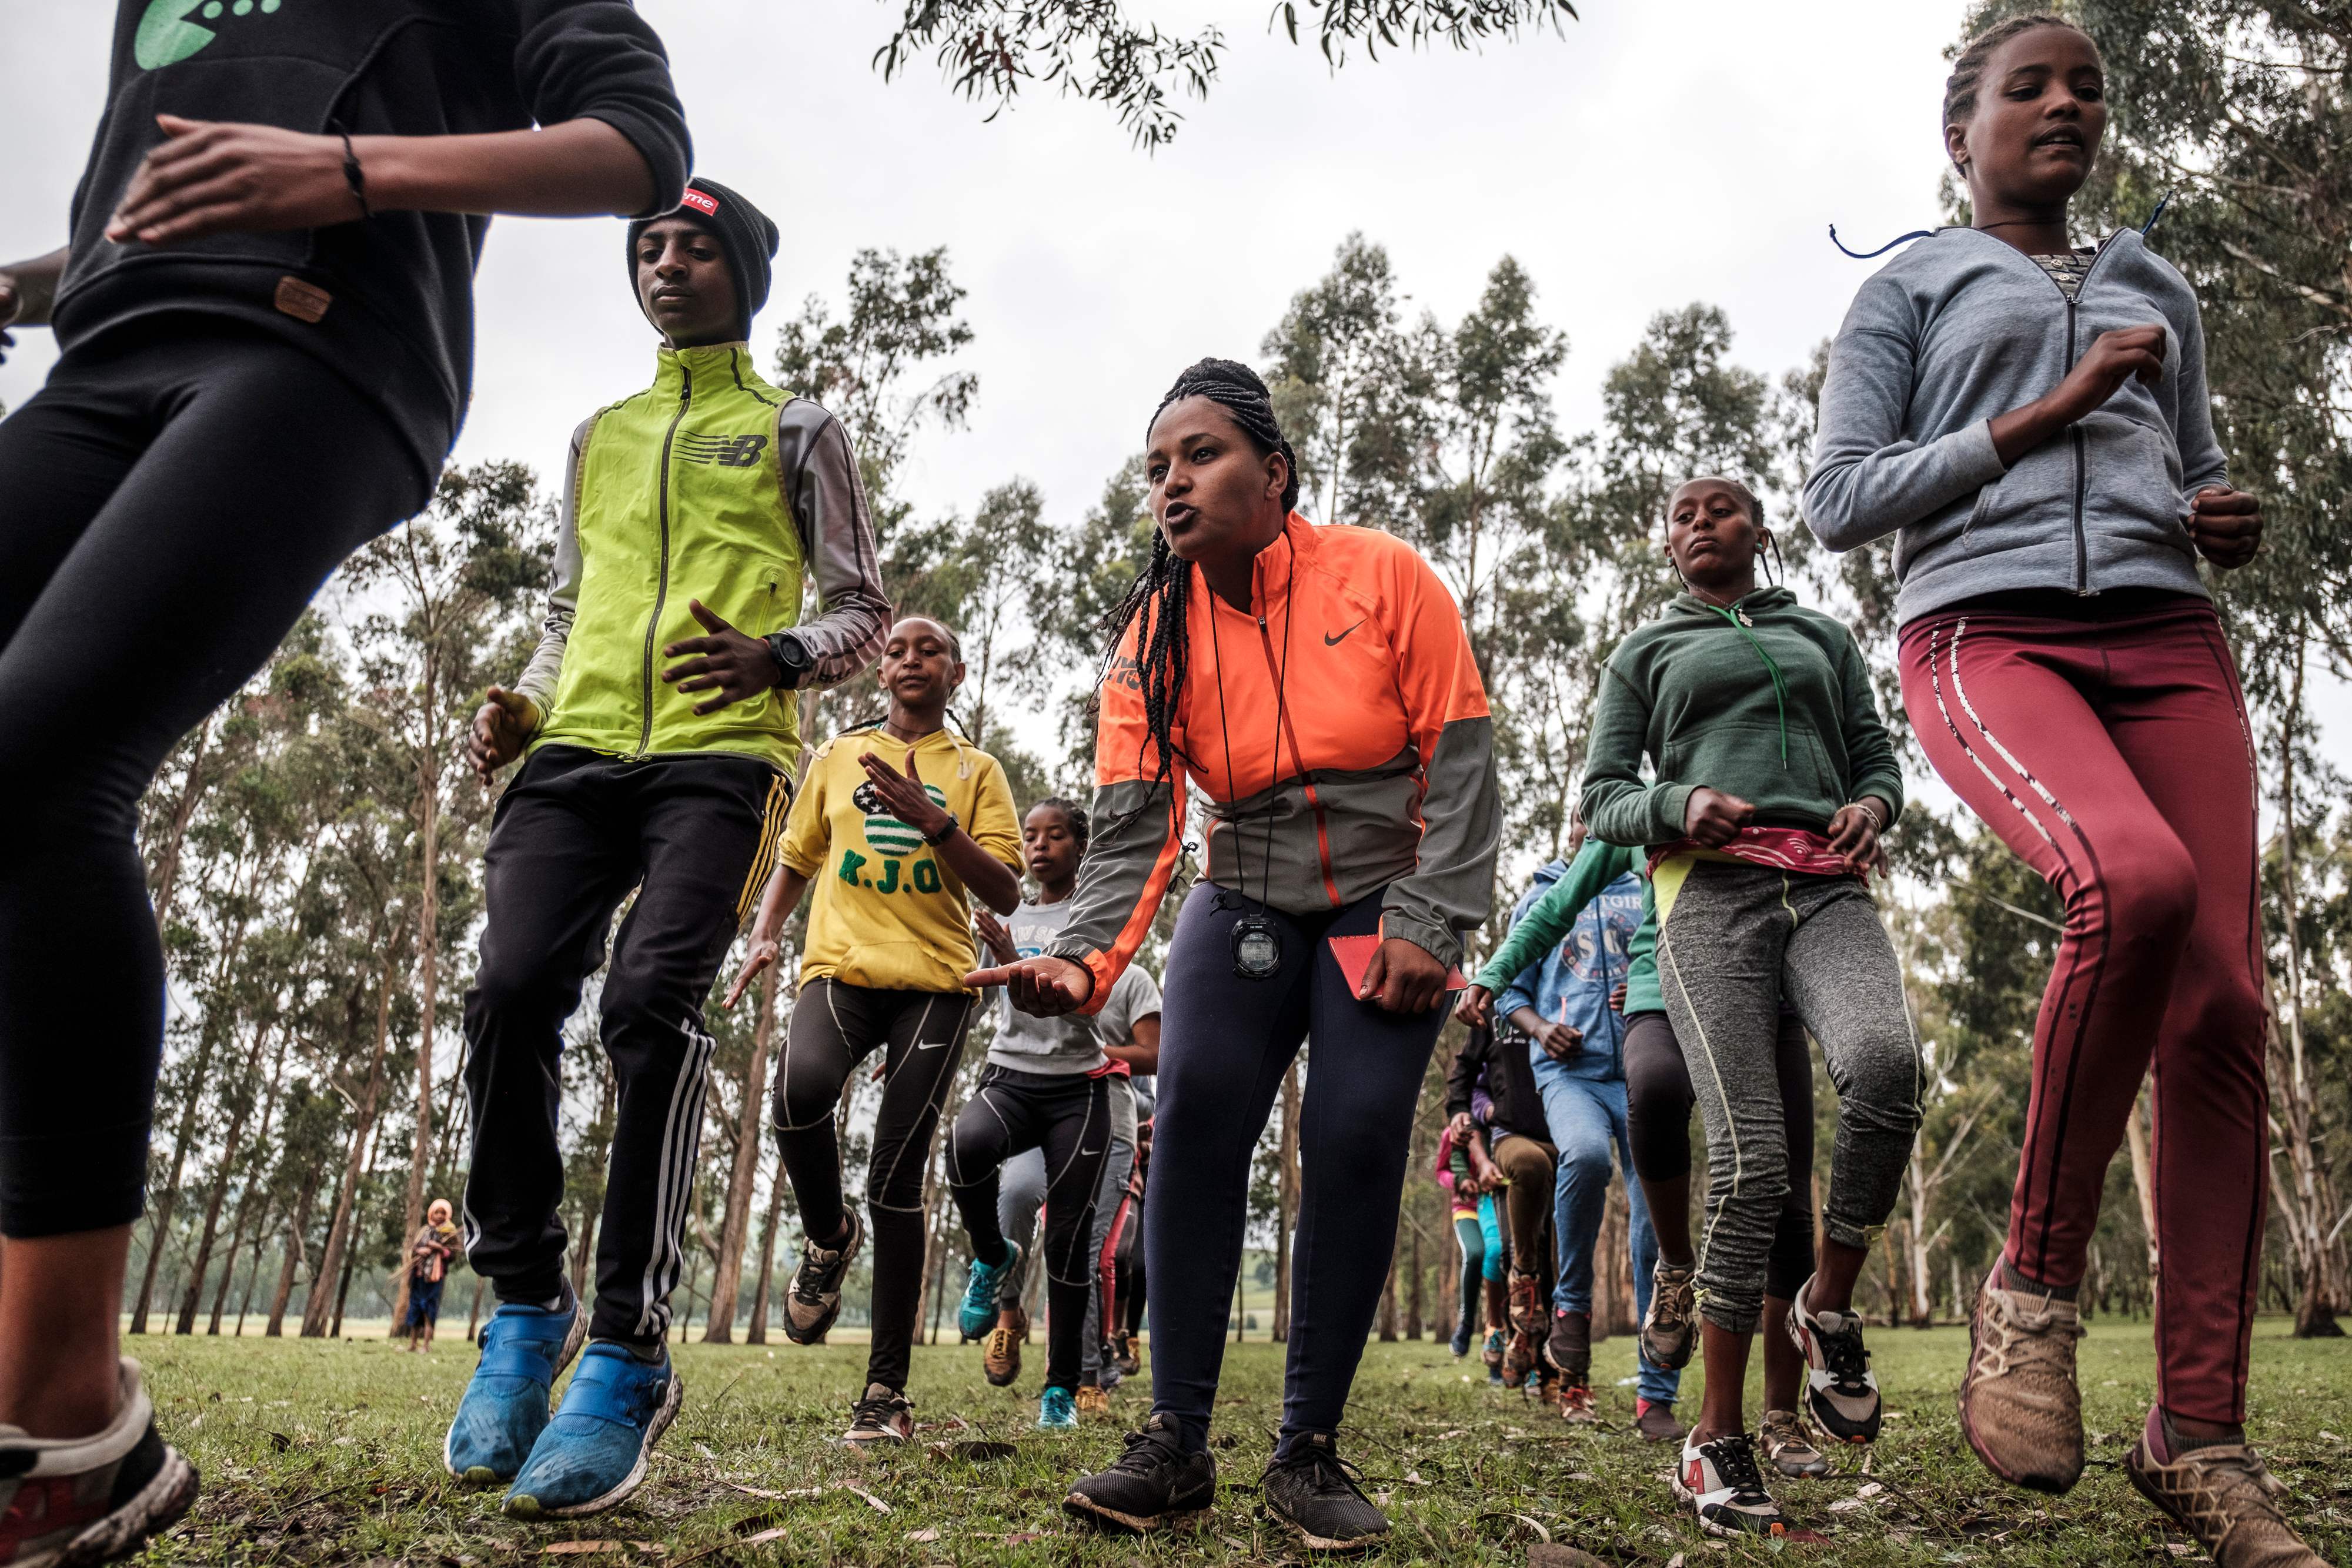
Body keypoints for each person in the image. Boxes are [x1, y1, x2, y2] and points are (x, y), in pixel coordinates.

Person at [0, 5, 688, 1560]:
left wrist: (355, 167)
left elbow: (641, 146)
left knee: (39, 765)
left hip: (323, 347)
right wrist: (42, 277)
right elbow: (151, 208)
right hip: (106, 361)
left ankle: (69, 1415)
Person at [1805, 18, 2312, 1565]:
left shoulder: (2160, 286)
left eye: (2087, 85)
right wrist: (2039, 407)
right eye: (2030, 84)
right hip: (1987, 631)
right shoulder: (1908, 288)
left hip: (2170, 640)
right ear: (1960, 131)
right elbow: (1840, 497)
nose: (2067, 105)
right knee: (2134, 884)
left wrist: (2215, 511)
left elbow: (2194, 460)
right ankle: (2029, 1291)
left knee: (2226, 1002)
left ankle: (2199, 1436)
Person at [973, 359, 1499, 1552]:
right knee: (1198, 1117)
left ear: (1274, 471)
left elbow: (1460, 756)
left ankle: (1305, 1449)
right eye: (1156, 465)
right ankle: (1172, 1441)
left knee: (1354, 1135)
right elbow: (1134, 822)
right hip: (1246, 885)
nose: (1172, 482)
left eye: (1199, 455)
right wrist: (1088, 960)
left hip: (1384, 880)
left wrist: (1430, 920)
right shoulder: (1150, 636)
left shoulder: (1382, 574)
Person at [449, 175, 888, 1518]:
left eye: (694, 246)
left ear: (744, 273)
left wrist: (779, 655)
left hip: (721, 757)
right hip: (576, 754)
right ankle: (528, 1303)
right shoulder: (602, 432)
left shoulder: (797, 427)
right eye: (647, 246)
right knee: (510, 991)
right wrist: (522, 700)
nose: (665, 263)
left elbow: (862, 605)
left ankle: (630, 1346)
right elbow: (575, 601)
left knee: (649, 1007)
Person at [1580, 474, 1919, 1537]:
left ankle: (1826, 1305)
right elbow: (1600, 797)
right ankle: (1714, 1435)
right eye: (1680, 515)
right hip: (1707, 896)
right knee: (1753, 1156)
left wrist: (1870, 802)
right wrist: (1679, 802)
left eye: (1720, 508)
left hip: (1825, 885)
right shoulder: (1646, 650)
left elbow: (1875, 756)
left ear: (1761, 531)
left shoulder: (1818, 634)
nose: (1697, 524)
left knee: (1889, 1068)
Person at [727, 617, 1022, 1446]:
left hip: (934, 982)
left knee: (895, 1176)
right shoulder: (839, 755)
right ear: (880, 670)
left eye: (930, 649)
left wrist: (938, 823)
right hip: (841, 970)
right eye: (897, 649)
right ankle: (829, 1238)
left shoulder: (977, 771)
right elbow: (797, 852)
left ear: (957, 672)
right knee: (799, 1092)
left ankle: (884, 1390)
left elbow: (1000, 885)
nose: (911, 658)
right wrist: (766, 929)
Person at [1453, 808, 1683, 1436]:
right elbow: (1513, 992)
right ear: (1572, 828)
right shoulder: (1543, 896)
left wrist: (1646, 990)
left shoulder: (1652, 882)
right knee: (1581, 1157)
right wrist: (1540, 1030)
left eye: (1606, 816)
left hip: (1642, 1069)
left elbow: (1679, 962)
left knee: (1652, 1230)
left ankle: (1656, 1394)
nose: (1594, 827)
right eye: (1584, 817)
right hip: (1571, 1074)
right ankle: (1571, 1323)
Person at [961, 798, 1162, 1423]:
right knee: (1007, 1190)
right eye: (1030, 836)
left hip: (1089, 1093)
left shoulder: (1104, 927)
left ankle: (1069, 1383)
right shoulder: (1007, 917)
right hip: (1017, 1085)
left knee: (1078, 1245)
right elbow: (980, 995)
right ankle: (1005, 1299)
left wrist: (1090, 1030)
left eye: (1055, 835)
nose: (1039, 846)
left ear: (1082, 846)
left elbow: (1153, 1051)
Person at [1433, 1122, 1507, 1380]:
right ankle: (1466, 1322)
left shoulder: (1499, 1130)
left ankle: (1498, 1357)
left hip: (1496, 1207)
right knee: (1475, 1253)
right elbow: (1441, 1171)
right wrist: (1458, 1180)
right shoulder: (1452, 1133)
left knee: (1499, 1264)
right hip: (1466, 1208)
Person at [405, 1200, 463, 1353]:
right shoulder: (424, 1230)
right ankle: (412, 1344)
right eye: (437, 1212)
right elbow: (413, 1250)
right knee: (415, 1307)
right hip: (419, 1275)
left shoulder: (450, 1233)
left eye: (443, 1213)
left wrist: (440, 1249)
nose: (439, 1216)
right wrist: (420, 1251)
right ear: (431, 1213)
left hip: (435, 1277)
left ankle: (426, 1346)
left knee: (429, 1309)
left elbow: (453, 1255)